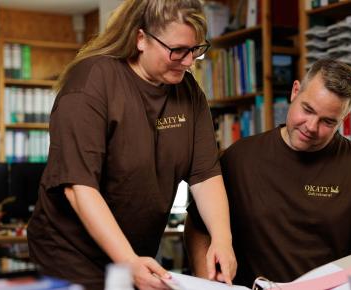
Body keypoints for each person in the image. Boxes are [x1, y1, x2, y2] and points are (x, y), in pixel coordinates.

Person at [27, 1, 236, 289]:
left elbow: (206, 175)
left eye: (195, 49)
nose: (188, 62)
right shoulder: (92, 82)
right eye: (177, 50)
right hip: (70, 258)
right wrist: (127, 260)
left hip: (135, 255)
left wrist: (222, 240)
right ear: (141, 39)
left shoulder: (188, 92)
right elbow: (79, 187)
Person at [184, 58, 351, 287]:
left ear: (343, 119)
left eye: (328, 121)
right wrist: (209, 283)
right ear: (295, 91)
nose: (311, 127)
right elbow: (198, 226)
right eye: (307, 109)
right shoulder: (239, 158)